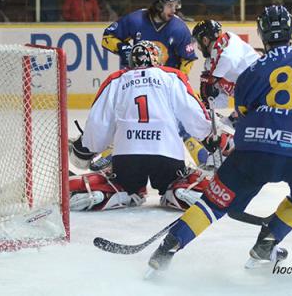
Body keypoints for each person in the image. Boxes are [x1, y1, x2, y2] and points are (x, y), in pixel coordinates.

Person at [146, 5, 292, 275]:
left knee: (213, 202)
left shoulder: (251, 72)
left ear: (261, 35)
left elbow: (243, 114)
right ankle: (268, 242)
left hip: (253, 152)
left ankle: (168, 247)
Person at [68, 41, 216, 211]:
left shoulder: (116, 80)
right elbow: (192, 112)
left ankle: (115, 193)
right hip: (167, 154)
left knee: (122, 183)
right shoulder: (172, 76)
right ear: (156, 59)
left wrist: (89, 146)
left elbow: (98, 122)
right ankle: (177, 191)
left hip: (127, 157)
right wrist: (207, 134)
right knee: (176, 180)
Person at [102, 0, 197, 75]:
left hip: (166, 83)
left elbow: (188, 59)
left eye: (175, 5)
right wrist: (122, 48)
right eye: (170, 5)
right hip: (138, 79)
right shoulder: (136, 20)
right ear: (158, 5)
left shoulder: (180, 28)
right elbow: (108, 37)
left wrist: (179, 80)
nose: (174, 10)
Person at [192, 19, 259, 110]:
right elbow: (223, 100)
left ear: (205, 40)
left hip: (265, 96)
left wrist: (213, 78)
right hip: (249, 104)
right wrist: (207, 103)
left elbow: (228, 59)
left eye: (198, 43)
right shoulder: (210, 63)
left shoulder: (230, 44)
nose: (198, 48)